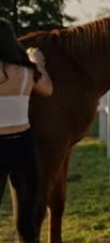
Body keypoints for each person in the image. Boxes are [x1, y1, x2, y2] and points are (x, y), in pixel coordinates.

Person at [0, 18, 53, 242]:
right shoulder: (26, 72)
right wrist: (37, 63)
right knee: (26, 220)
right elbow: (48, 90)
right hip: (23, 145)